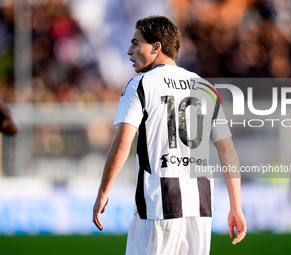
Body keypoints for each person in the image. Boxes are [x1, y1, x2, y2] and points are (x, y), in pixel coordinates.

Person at [93, 15, 246, 254]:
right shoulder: (205, 87)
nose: (129, 50)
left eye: (136, 43)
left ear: (157, 47)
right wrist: (236, 206)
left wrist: (103, 192)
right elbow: (227, 150)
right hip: (201, 208)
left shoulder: (140, 84)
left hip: (159, 205)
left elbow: (123, 143)